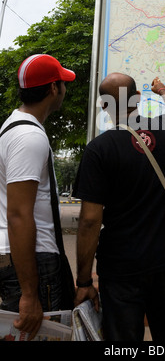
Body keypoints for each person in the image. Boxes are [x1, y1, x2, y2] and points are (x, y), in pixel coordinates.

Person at [73, 73, 165, 342]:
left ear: (104, 106)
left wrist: (84, 282)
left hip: (120, 267)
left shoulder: (98, 150)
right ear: (137, 98)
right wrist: (163, 91)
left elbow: (89, 221)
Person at [0, 54, 76, 340]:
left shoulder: (13, 127)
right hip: (34, 261)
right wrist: (30, 294)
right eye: (63, 83)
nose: (65, 90)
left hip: (26, 258)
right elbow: (18, 215)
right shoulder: (28, 137)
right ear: (53, 88)